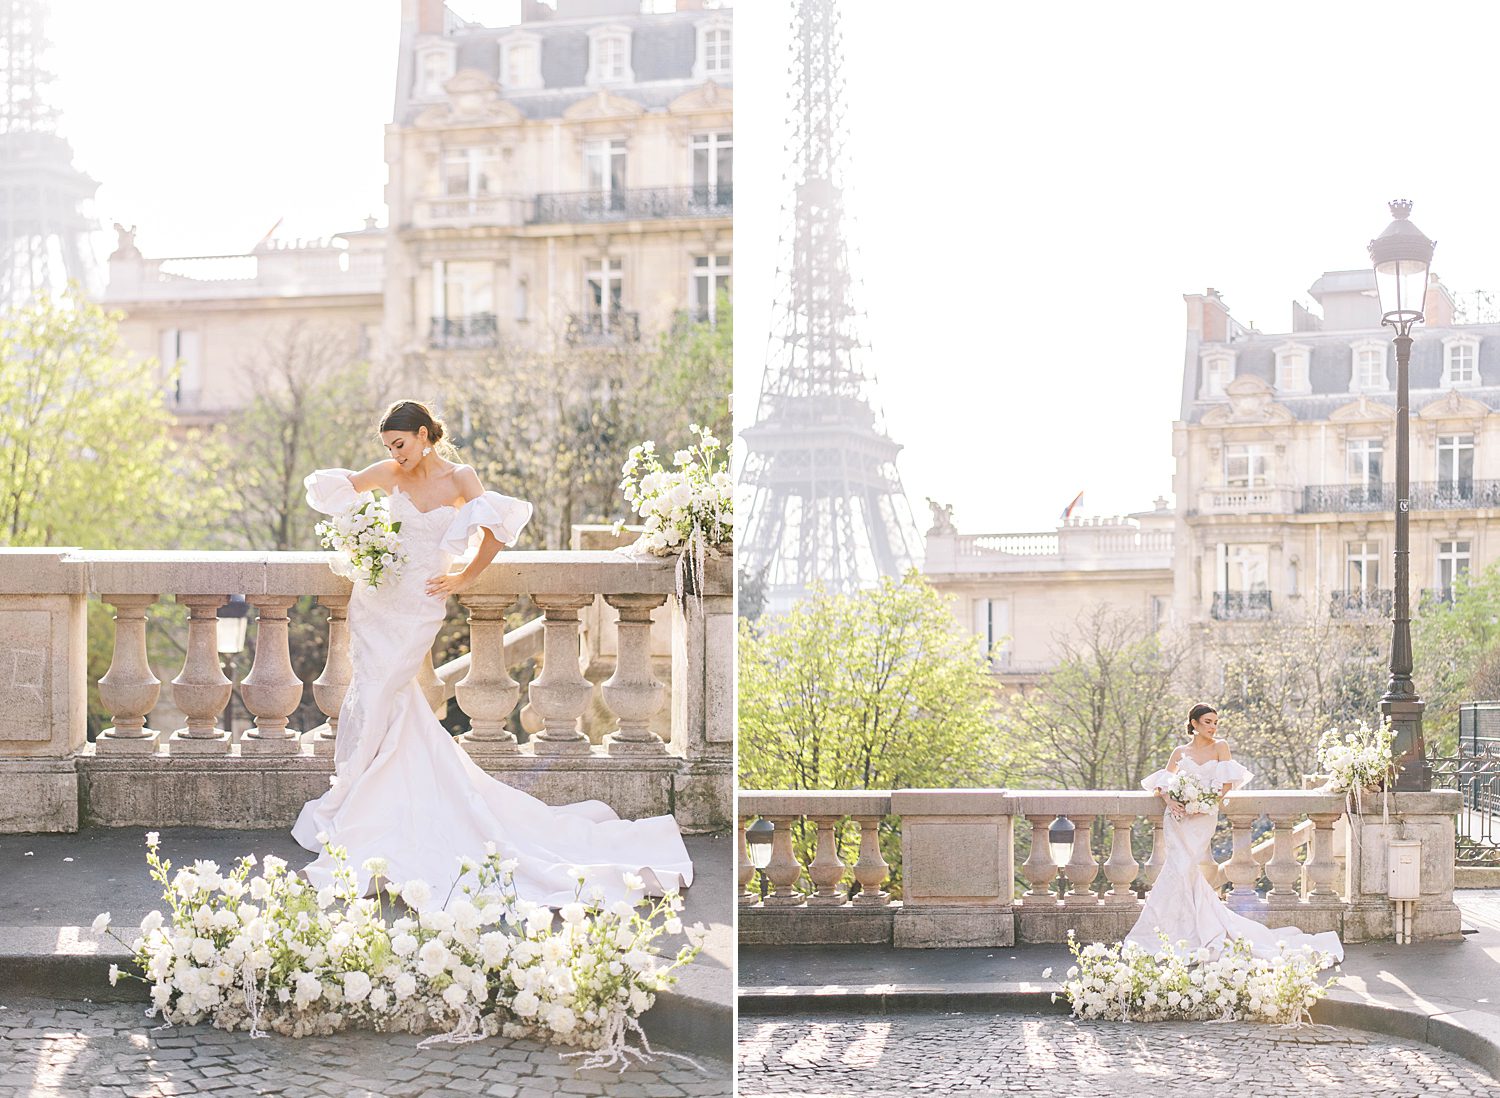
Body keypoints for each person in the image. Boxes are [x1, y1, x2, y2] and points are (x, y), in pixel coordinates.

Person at [291, 399, 695, 908]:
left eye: (401, 444)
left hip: (420, 601)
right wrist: (362, 540)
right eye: (389, 447)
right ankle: (361, 795)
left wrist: (464, 577)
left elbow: (495, 529)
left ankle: (367, 797)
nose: (396, 454)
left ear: (423, 435)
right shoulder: (389, 472)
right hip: (377, 596)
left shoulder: (461, 478)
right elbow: (339, 491)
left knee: (386, 688)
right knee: (376, 690)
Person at [1123, 702, 1343, 962]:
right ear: (1193, 723)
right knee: (1177, 869)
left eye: (1216, 722)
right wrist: (1172, 801)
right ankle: (1173, 931)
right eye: (1207, 722)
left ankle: (1190, 930)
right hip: (1177, 818)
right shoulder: (1180, 751)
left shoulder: (1220, 747)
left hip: (1203, 816)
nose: (1213, 727)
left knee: (1185, 868)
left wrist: (1203, 804)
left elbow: (1227, 784)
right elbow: (1163, 783)